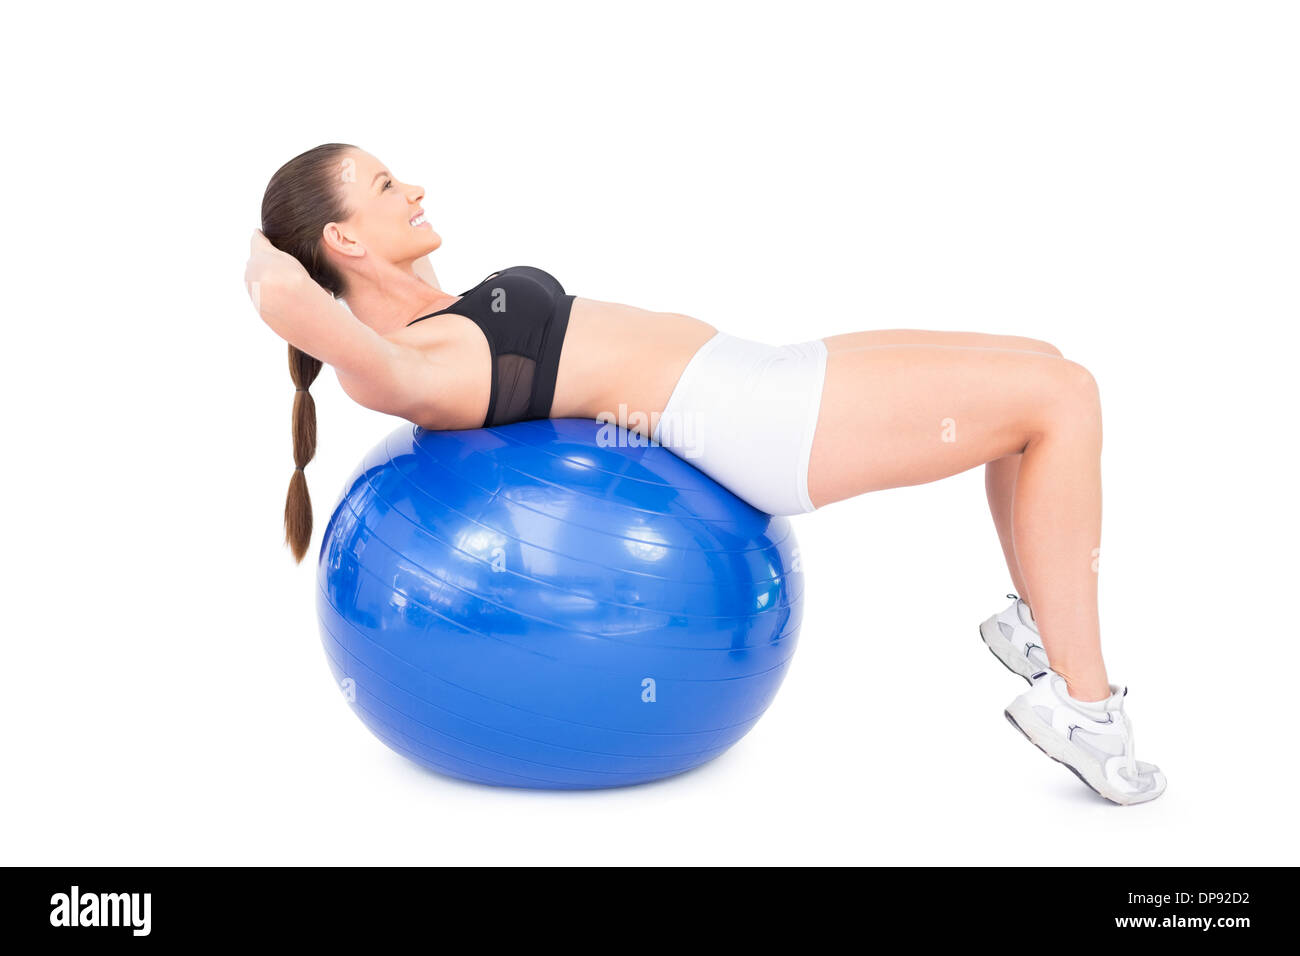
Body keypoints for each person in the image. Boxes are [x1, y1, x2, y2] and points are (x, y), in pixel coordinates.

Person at [244, 143, 1166, 805]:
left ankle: (1042, 622)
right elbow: (294, 303)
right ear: (345, 242)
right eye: (382, 183)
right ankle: (1084, 710)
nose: (413, 186)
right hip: (760, 424)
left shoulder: (439, 310)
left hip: (759, 375)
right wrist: (271, 260)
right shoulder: (409, 362)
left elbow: (328, 289)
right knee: (1062, 398)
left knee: (1041, 368)